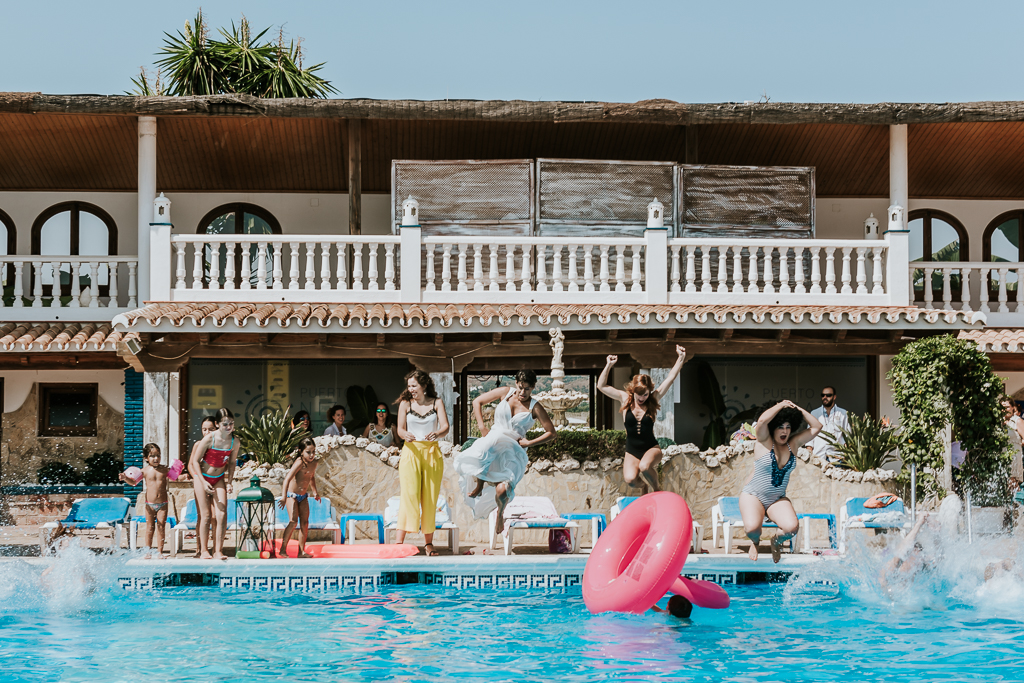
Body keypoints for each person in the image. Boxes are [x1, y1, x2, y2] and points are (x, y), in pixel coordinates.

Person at [455, 369, 557, 533]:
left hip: (512, 450)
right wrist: (482, 427)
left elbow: (551, 432)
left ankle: (500, 514)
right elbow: (477, 402)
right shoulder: (505, 392)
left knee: (502, 491)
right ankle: (480, 483)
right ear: (516, 383)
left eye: (527, 389)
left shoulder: (535, 407)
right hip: (492, 441)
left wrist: (529, 442)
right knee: (481, 449)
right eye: (520, 387)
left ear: (533, 388)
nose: (522, 392)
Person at [739, 400, 822, 563]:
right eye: (780, 427)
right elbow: (762, 421)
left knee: (791, 528)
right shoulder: (763, 440)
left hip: (776, 498)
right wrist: (781, 405)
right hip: (753, 495)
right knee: (752, 529)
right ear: (773, 427)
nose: (785, 431)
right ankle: (755, 541)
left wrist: (797, 408)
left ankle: (775, 542)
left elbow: (817, 426)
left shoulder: (793, 444)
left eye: (788, 427)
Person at [596, 345, 687, 492]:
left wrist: (681, 358)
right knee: (631, 480)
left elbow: (670, 378)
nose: (642, 398)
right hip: (631, 451)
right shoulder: (625, 399)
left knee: (645, 467)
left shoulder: (653, 399)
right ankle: (644, 486)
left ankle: (657, 489)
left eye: (645, 394)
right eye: (640, 394)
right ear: (633, 391)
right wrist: (609, 365)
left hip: (651, 448)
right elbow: (601, 386)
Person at [395, 370, 449, 556]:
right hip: (410, 452)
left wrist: (438, 434)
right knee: (409, 495)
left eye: (414, 386)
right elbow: (400, 429)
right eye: (409, 386)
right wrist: (405, 435)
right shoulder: (405, 404)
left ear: (424, 386)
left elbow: (445, 427)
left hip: (432, 453)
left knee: (430, 498)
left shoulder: (437, 402)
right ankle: (398, 542)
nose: (410, 389)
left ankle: (428, 544)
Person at [188, 408, 239, 561]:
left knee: (222, 514)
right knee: (206, 515)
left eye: (231, 423)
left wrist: (229, 482)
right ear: (217, 424)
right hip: (202, 477)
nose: (229, 427)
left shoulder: (234, 441)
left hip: (219, 479)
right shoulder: (209, 439)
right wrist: (202, 482)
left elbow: (231, 463)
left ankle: (218, 550)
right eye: (225, 424)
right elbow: (195, 462)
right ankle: (204, 550)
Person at [120, 443, 170, 558]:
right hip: (149, 504)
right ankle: (148, 551)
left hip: (163, 504)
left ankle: (160, 552)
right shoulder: (144, 471)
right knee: (150, 528)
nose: (156, 458)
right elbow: (134, 482)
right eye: (152, 456)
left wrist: (183, 475)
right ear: (146, 458)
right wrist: (125, 478)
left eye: (158, 455)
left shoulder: (165, 469)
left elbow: (175, 477)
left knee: (161, 527)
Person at [278, 437, 321, 558]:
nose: (311, 454)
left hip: (303, 496)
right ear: (301, 451)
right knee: (293, 521)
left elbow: (311, 477)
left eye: (313, 451)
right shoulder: (299, 462)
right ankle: (282, 549)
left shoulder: (314, 463)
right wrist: (283, 497)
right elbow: (287, 479)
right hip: (292, 495)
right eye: (308, 452)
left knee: (305, 523)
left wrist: (315, 491)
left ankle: (301, 551)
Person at [185, 415, 217, 556]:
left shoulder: (219, 446)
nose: (207, 432)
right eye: (204, 429)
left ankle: (216, 548)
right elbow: (191, 464)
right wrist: (198, 479)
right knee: (203, 516)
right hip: (201, 483)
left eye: (210, 429)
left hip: (215, 482)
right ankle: (200, 548)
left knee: (215, 517)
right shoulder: (198, 445)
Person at [808, 386, 850, 464]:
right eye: (823, 395)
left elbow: (848, 436)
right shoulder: (815, 413)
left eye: (828, 395)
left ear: (834, 397)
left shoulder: (843, 413)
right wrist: (810, 453)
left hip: (837, 458)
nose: (825, 397)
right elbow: (809, 435)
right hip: (818, 457)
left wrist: (845, 455)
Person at [1001, 396, 1024, 482]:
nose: (1004, 410)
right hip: (1002, 457)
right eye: (1002, 408)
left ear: (1012, 408)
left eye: (1007, 407)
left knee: (1012, 483)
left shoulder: (1017, 421)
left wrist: (1016, 443)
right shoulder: (999, 423)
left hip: (1014, 456)